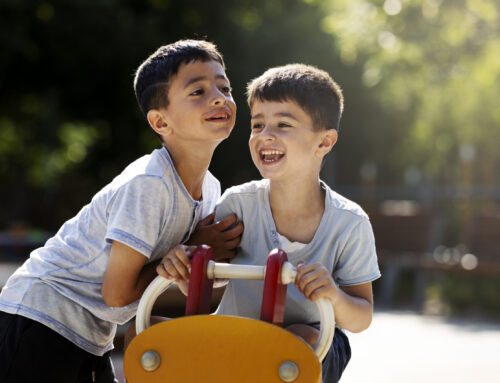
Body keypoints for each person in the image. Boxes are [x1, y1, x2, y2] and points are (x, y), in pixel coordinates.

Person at [0, 39, 242, 383]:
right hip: (40, 317)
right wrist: (179, 259)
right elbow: (117, 295)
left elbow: (184, 281)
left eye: (224, 86)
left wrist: (195, 259)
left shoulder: (211, 190)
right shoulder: (149, 183)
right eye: (197, 91)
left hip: (90, 335)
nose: (219, 96)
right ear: (160, 122)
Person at [213, 64, 381, 382]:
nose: (266, 135)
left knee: (298, 338)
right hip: (238, 334)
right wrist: (187, 264)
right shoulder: (237, 204)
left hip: (315, 341)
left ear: (324, 143)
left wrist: (333, 294)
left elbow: (362, 317)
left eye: (283, 124)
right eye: (258, 124)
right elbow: (208, 279)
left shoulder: (349, 223)